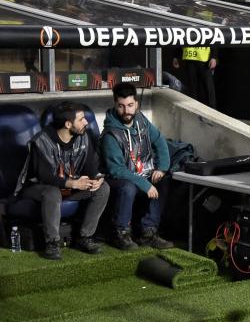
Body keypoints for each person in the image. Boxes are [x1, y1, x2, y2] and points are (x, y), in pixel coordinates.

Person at [15, 102, 109, 260]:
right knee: (52, 193)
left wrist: (97, 179)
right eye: (81, 119)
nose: (86, 122)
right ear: (68, 124)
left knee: (102, 188)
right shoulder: (42, 141)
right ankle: (52, 243)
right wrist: (73, 183)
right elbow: (44, 177)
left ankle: (85, 238)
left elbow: (91, 167)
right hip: (38, 188)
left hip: (67, 187)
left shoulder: (83, 137)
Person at [100, 83, 174, 250]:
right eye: (121, 106)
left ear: (137, 104)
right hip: (116, 178)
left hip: (139, 174)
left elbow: (159, 141)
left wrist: (161, 168)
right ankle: (121, 233)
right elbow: (116, 170)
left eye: (130, 105)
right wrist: (145, 184)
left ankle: (148, 232)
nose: (126, 111)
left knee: (163, 178)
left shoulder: (140, 119)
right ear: (115, 104)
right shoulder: (110, 134)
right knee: (128, 187)